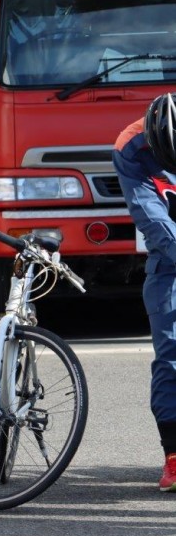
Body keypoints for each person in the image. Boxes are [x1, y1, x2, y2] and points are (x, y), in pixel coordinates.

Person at [114, 92, 176, 492]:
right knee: (172, 352)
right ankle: (174, 456)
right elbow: (151, 218)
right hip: (170, 255)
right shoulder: (130, 146)